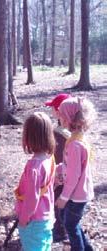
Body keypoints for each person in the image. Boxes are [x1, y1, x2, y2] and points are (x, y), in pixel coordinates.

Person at [55, 97, 96, 251]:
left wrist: (63, 198)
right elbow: (72, 167)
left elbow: (73, 176)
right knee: (72, 222)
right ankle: (87, 248)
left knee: (70, 225)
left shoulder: (74, 144)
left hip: (76, 195)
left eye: (62, 115)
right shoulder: (77, 138)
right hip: (79, 191)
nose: (60, 118)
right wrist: (59, 168)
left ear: (71, 118)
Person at [15, 112, 56, 251]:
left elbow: (32, 198)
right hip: (47, 216)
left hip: (33, 220)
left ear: (28, 137)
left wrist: (24, 218)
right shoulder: (49, 158)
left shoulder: (34, 166)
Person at [45, 93, 71, 242]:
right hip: (70, 176)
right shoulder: (73, 132)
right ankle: (65, 228)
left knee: (59, 204)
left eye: (53, 108)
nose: (51, 111)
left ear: (59, 112)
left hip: (59, 176)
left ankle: (61, 231)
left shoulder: (58, 134)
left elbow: (56, 156)